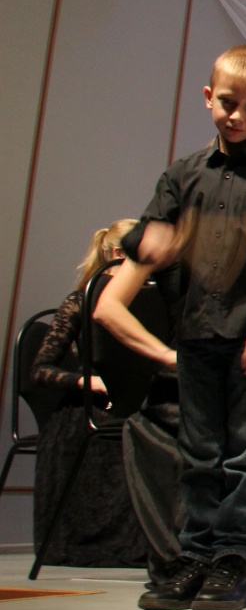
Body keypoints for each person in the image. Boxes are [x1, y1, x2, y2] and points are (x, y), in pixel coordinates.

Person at [112, 44, 246, 610]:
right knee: (198, 452)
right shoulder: (182, 174)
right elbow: (146, 232)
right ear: (208, 98)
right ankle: (195, 556)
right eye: (228, 102)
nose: (237, 115)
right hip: (196, 332)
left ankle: (233, 561)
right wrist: (146, 241)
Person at [28, 219, 154, 567]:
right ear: (117, 253)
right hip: (89, 409)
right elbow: (40, 370)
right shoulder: (80, 301)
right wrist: (89, 382)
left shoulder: (153, 302)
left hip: (137, 405)